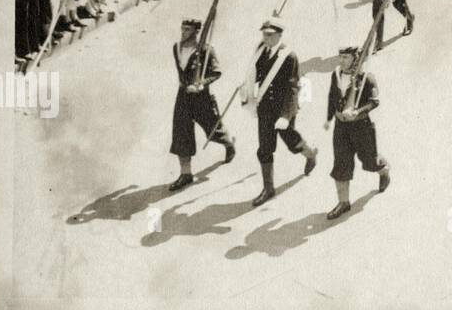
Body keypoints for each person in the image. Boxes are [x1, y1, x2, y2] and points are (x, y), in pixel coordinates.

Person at [242, 18, 317, 207]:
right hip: (266, 107)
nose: (266, 38)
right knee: (265, 148)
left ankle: (310, 154)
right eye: (264, 35)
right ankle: (268, 188)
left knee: (292, 143)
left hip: (283, 106)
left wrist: (285, 115)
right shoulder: (261, 52)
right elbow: (257, 75)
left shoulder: (288, 56)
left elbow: (292, 87)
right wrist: (246, 88)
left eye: (270, 35)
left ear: (279, 35)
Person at [324, 46, 391, 220]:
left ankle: (383, 170)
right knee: (341, 164)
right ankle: (343, 203)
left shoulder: (367, 78)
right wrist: (329, 117)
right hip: (341, 128)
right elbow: (332, 96)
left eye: (346, 57)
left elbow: (374, 102)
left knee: (370, 161)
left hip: (361, 128)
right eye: (340, 57)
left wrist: (358, 112)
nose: (342, 61)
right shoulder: (336, 75)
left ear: (355, 58)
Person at [167, 17, 235, 191]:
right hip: (183, 96)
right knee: (181, 134)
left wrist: (202, 84)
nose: (183, 33)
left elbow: (217, 72)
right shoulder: (177, 48)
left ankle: (229, 143)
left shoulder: (206, 50)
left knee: (214, 130)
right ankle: (186, 174)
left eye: (187, 30)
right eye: (182, 29)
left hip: (201, 97)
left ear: (196, 32)